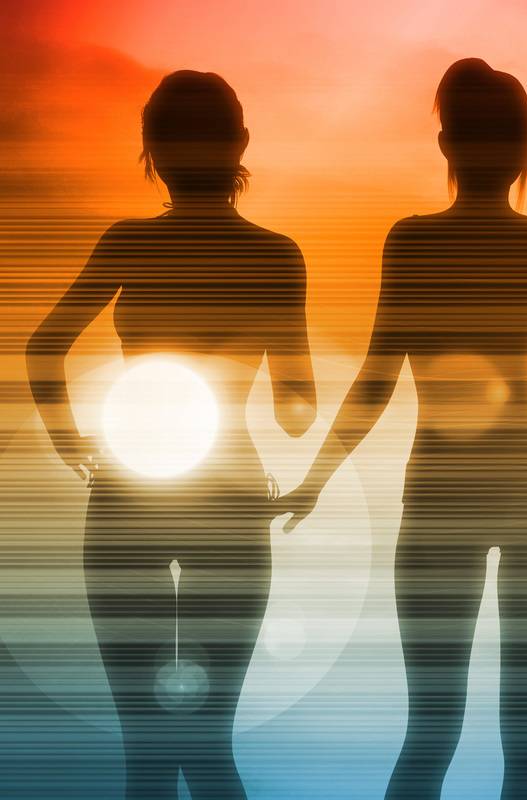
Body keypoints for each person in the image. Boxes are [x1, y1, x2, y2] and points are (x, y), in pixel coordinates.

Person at [277, 58, 527, 800]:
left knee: (432, 727)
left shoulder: (414, 240)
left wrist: (315, 481)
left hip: (443, 492)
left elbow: (378, 378)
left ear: (446, 144)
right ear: (523, 150)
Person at [28, 70, 317, 799]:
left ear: (151, 149)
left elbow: (42, 348)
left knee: (148, 752)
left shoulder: (128, 242)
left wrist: (70, 444)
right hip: (231, 498)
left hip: (129, 495)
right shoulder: (275, 255)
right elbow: (295, 403)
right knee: (209, 744)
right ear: (241, 144)